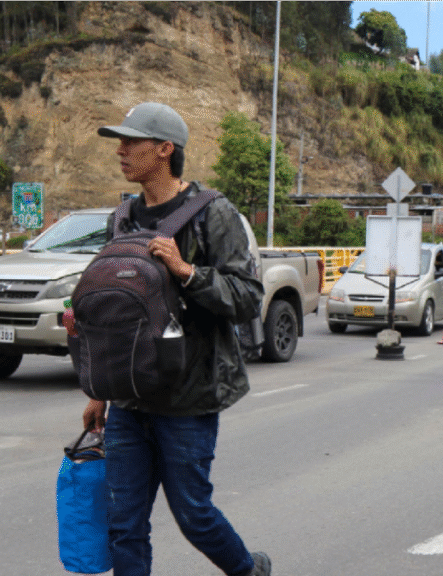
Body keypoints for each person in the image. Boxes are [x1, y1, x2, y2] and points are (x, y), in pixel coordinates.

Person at [80, 103, 271, 576]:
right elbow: (113, 318)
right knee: (124, 525)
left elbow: (248, 297)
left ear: (165, 150)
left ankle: (248, 571)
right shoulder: (122, 219)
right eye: (120, 142)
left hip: (189, 396)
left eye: (131, 142)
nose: (121, 151)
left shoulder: (214, 214)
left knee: (193, 516)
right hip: (129, 400)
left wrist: (186, 272)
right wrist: (99, 393)